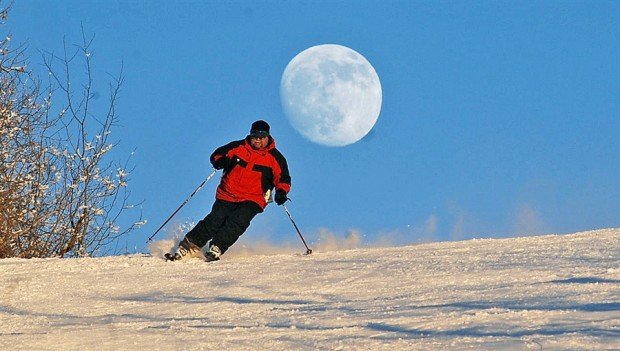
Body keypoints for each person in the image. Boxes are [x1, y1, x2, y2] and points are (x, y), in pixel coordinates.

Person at [167, 120, 291, 262]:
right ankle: (189, 246)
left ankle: (217, 246)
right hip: (228, 193)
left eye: (261, 137)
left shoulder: (275, 158)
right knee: (216, 218)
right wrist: (221, 161)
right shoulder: (237, 147)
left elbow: (283, 179)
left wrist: (281, 192)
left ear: (268, 137)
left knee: (239, 220)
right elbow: (216, 155)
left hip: (254, 198)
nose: (257, 140)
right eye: (254, 136)